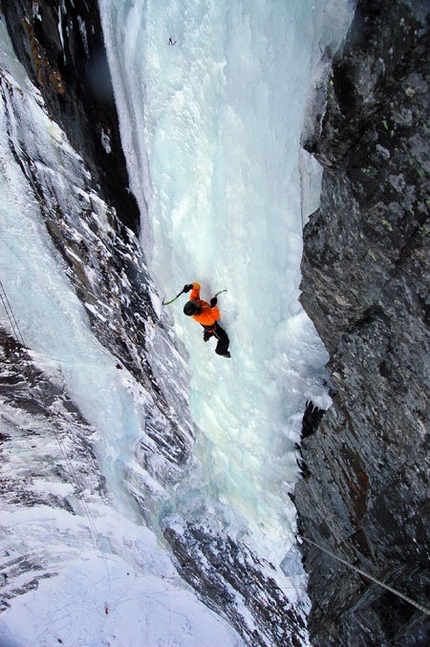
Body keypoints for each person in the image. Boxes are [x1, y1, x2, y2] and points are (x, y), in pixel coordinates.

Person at [182, 282, 230, 358]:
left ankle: (206, 337)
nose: (196, 301)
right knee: (224, 339)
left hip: (207, 322)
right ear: (197, 310)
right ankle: (220, 351)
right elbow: (215, 318)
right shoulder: (203, 317)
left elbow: (197, 288)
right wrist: (213, 307)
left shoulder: (194, 301)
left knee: (208, 332)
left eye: (194, 302)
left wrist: (191, 286)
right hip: (211, 325)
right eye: (195, 303)